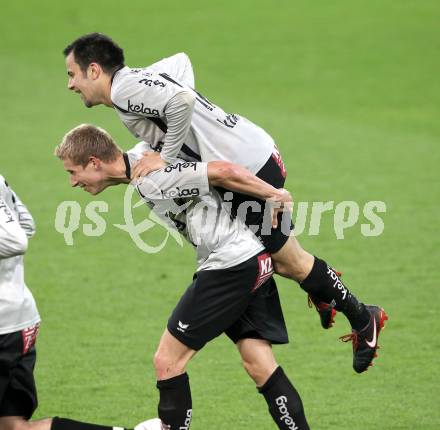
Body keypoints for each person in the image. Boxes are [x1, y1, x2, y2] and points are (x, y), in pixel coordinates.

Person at [62, 33, 388, 374]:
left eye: (73, 74)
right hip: (249, 146)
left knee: (288, 261)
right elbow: (182, 62)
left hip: (244, 167)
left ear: (95, 70)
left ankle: (364, 319)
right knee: (277, 257)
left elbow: (181, 101)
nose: (71, 84)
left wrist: (166, 157)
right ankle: (329, 296)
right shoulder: (135, 81)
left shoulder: (124, 91)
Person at [55, 123, 312, 430]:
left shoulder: (151, 177)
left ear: (94, 162)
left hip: (230, 265)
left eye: (73, 172)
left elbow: (222, 172)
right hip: (251, 255)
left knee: (167, 362)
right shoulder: (146, 155)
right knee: (259, 365)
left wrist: (274, 194)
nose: (72, 182)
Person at [0, 175, 147, 430]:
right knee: (12, 425)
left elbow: (17, 240)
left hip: (3, 327)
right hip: (19, 320)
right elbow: (26, 224)